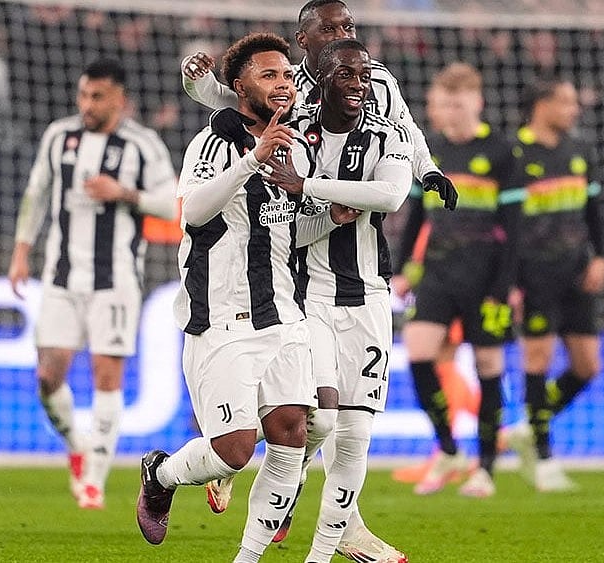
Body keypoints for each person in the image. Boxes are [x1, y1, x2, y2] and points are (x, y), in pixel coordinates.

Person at [135, 33, 319, 563]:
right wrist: (251, 161)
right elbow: (192, 212)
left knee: (292, 432)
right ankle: (161, 474)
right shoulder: (212, 143)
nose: (282, 85)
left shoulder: (297, 146)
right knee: (235, 452)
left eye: (286, 75)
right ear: (238, 86)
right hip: (220, 315)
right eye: (268, 75)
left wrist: (327, 212)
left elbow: (283, 230)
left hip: (282, 311)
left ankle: (248, 557)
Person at [263, 38, 412, 563]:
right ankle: (281, 476)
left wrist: (313, 187)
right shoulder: (294, 137)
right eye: (346, 76)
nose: (358, 85)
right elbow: (285, 234)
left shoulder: (387, 134)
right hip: (310, 299)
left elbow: (391, 197)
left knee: (356, 437)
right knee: (322, 422)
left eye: (364, 76)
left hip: (370, 298)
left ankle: (321, 554)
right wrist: (324, 213)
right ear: (320, 77)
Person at [7, 58, 176, 510]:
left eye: (97, 96)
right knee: (48, 375)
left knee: (107, 377)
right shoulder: (59, 136)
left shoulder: (143, 144)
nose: (87, 104)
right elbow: (36, 193)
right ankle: (77, 446)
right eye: (83, 95)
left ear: (119, 98)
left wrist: (124, 193)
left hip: (115, 278)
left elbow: (171, 203)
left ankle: (94, 482)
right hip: (61, 275)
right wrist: (21, 252)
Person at [180, 0, 456, 213]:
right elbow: (223, 97)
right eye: (328, 29)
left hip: (364, 208)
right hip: (305, 211)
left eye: (347, 27)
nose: (341, 35)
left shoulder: (379, 78)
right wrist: (194, 77)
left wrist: (428, 169)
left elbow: (404, 126)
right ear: (302, 40)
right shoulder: (288, 85)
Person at [391, 62, 521, 498]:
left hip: (486, 277)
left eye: (458, 102)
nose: (450, 111)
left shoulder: (502, 152)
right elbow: (414, 217)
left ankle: (485, 466)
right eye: (444, 102)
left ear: (477, 102)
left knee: (489, 368)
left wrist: (504, 287)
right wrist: (401, 268)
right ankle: (448, 448)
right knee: (419, 354)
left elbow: (515, 228)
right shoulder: (432, 152)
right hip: (439, 273)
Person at [503, 78, 604, 493]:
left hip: (576, 271)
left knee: (587, 366)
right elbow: (506, 226)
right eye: (565, 102)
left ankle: (529, 425)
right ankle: (544, 459)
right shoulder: (515, 153)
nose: (573, 109)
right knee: (537, 359)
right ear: (541, 105)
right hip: (533, 274)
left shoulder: (581, 151)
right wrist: (509, 281)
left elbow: (595, 209)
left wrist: (600, 255)